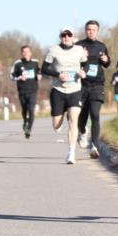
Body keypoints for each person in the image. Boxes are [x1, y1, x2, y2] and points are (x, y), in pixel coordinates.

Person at [41, 26, 88, 164]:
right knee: (56, 125)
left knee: (73, 122)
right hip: (58, 90)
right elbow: (44, 68)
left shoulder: (79, 50)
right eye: (63, 35)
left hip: (75, 89)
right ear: (60, 37)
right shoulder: (53, 50)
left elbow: (85, 64)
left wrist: (83, 72)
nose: (66, 37)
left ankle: (71, 153)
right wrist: (57, 75)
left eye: (69, 35)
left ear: (73, 37)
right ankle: (60, 118)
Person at [75, 20, 110, 159]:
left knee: (95, 113)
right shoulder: (78, 46)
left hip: (97, 85)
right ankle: (82, 132)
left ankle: (95, 145)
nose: (91, 32)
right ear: (85, 30)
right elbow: (72, 63)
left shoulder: (101, 46)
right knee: (81, 115)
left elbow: (107, 63)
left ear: (98, 31)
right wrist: (80, 56)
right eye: (89, 29)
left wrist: (106, 59)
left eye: (94, 29)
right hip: (81, 85)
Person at [10, 45, 41, 139]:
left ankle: (29, 129)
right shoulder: (18, 63)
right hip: (22, 91)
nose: (26, 54)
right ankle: (25, 121)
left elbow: (40, 72)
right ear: (22, 53)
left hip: (33, 90)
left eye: (28, 52)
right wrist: (19, 77)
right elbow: (11, 76)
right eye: (24, 52)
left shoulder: (35, 63)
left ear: (31, 53)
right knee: (24, 109)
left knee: (31, 109)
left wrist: (39, 75)